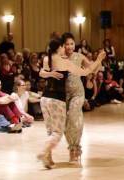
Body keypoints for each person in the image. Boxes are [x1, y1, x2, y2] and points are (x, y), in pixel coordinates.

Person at [37, 38, 105, 169]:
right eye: (64, 45)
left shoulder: (48, 58)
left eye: (70, 44)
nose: (67, 47)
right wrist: (99, 59)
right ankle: (44, 152)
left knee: (51, 129)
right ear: (60, 47)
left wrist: (50, 73)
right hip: (58, 99)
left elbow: (41, 72)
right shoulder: (65, 62)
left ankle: (49, 156)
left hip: (44, 99)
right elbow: (86, 71)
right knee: (58, 131)